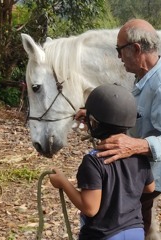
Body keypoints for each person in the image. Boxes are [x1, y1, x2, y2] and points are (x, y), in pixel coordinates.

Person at [74, 19, 161, 235]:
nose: (118, 56)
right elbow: (133, 112)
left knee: (115, 224)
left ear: (136, 49)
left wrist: (133, 145)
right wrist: (95, 115)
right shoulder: (145, 76)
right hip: (132, 171)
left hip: (142, 175)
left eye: (119, 50)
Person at [50, 83, 155, 240]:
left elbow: (90, 208)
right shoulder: (138, 152)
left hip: (103, 235)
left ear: (93, 122)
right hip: (135, 232)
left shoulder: (93, 161)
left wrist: (63, 183)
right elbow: (150, 188)